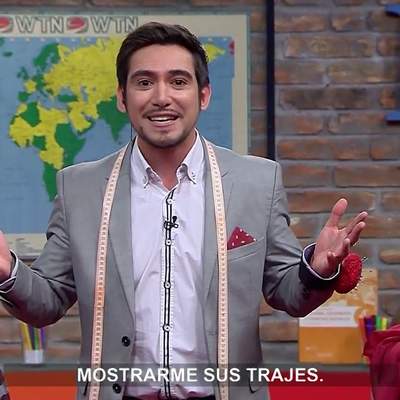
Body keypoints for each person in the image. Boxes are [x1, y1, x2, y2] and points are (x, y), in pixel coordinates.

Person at [0, 22, 367, 400]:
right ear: (122, 98)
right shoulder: (79, 188)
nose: (162, 97)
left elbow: (288, 293)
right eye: (144, 82)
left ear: (203, 95)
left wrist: (318, 269)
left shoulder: (257, 182)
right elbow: (47, 301)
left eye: (178, 81)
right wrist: (8, 269)